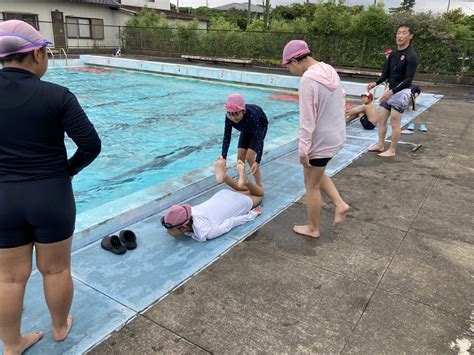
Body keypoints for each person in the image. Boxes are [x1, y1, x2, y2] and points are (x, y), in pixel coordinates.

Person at [0, 20, 101, 354]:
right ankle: (59, 328)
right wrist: (68, 171)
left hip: (3, 199)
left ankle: (12, 344)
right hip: (51, 194)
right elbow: (90, 144)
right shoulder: (57, 95)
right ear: (38, 54)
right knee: (56, 268)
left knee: (9, 278)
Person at [282, 40, 350, 238]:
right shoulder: (329, 69)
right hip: (336, 136)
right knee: (317, 174)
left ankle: (313, 228)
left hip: (320, 141)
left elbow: (307, 120)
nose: (289, 70)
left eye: (287, 66)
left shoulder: (308, 81)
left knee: (311, 185)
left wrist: (303, 150)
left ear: (295, 60)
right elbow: (342, 98)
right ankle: (340, 204)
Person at [162, 158, 263, 241]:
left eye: (170, 229)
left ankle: (246, 181)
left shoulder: (209, 232)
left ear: (183, 227)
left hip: (239, 203)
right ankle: (225, 177)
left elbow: (232, 222)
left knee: (260, 194)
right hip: (223, 195)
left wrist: (252, 215)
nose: (167, 231)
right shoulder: (191, 212)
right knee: (244, 189)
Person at [367, 23, 419, 157]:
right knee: (381, 119)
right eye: (398, 33)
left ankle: (392, 150)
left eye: (403, 33)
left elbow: (408, 80)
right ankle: (380, 145)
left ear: (410, 36)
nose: (400, 35)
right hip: (390, 91)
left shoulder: (411, 56)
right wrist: (376, 83)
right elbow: (386, 74)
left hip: (401, 92)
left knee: (395, 122)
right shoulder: (393, 54)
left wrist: (392, 91)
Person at [218, 93, 268, 188]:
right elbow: (227, 137)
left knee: (250, 157)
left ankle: (259, 183)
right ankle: (242, 179)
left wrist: (257, 161)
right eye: (231, 114)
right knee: (240, 156)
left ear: (243, 111)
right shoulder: (229, 117)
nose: (234, 118)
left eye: (236, 114)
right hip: (246, 129)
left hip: (260, 127)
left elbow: (259, 139)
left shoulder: (252, 116)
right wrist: (224, 158)